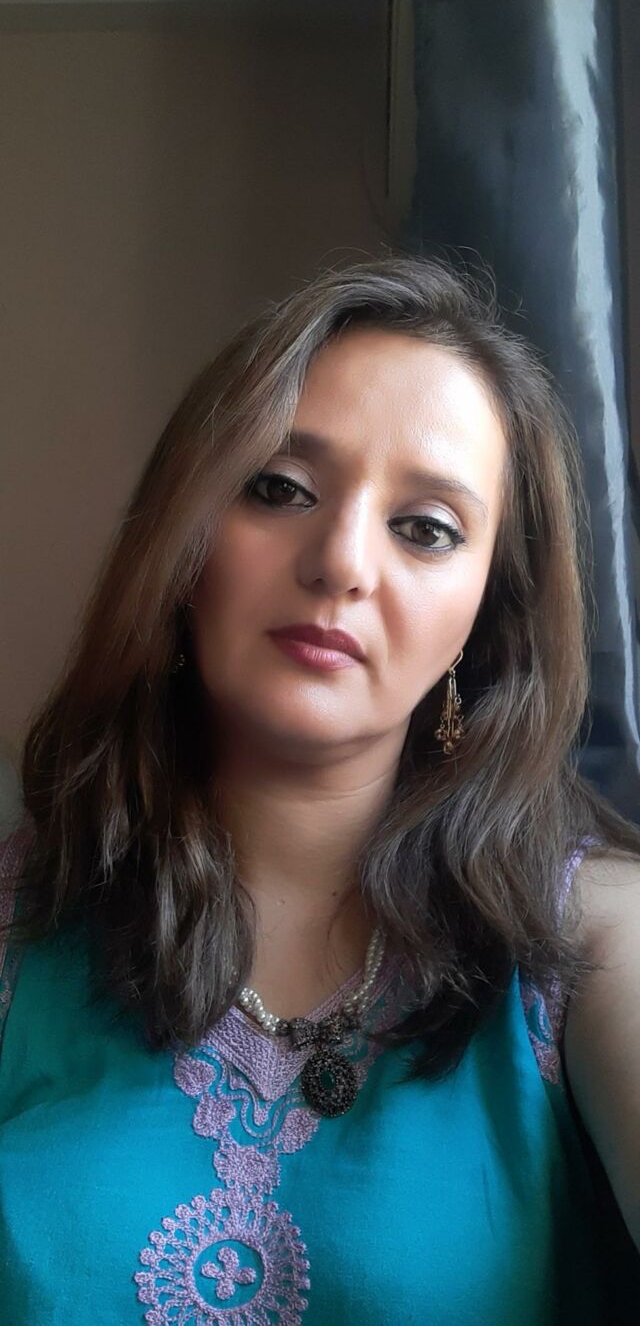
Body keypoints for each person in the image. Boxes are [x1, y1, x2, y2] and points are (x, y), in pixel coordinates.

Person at [1, 254, 639, 1325]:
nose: (341, 560)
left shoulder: (597, 939)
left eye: (425, 527)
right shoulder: (18, 925)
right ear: (185, 538)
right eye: (280, 488)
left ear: (486, 617)